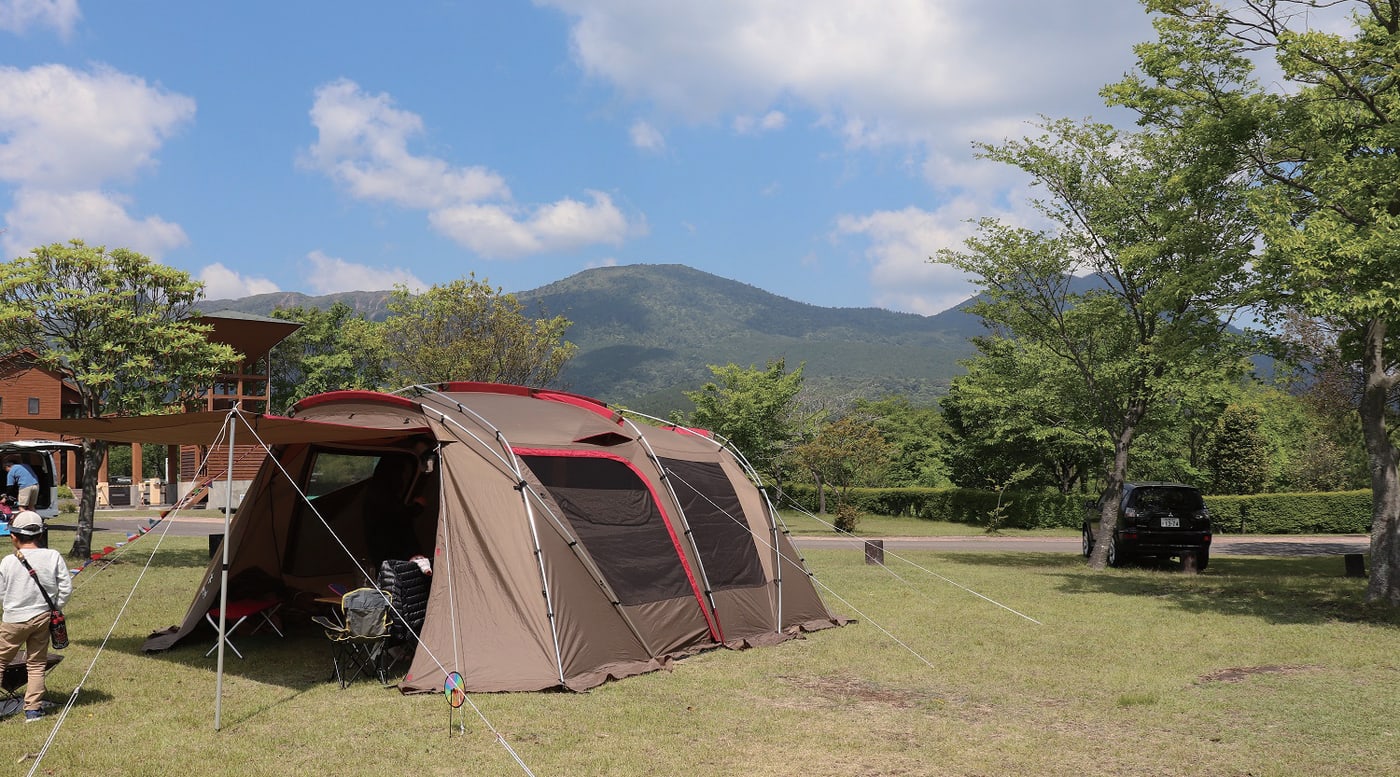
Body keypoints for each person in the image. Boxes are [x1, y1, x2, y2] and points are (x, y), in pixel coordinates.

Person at [0, 511, 70, 723]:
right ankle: (33, 710)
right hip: (43, 616)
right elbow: (65, 587)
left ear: (13, 536)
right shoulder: (53, 556)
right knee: (37, 664)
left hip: (13, 618)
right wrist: (56, 607)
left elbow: (1, 591)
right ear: (40, 534)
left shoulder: (8, 561)